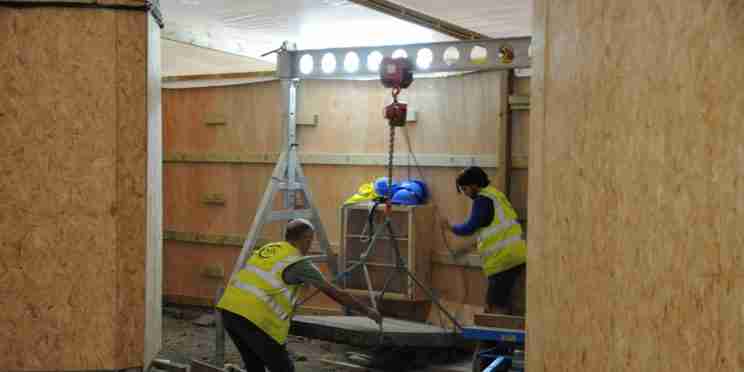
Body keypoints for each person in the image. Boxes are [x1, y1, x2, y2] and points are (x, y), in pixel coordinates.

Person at [217, 218, 381, 372]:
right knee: (283, 368)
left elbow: (266, 282)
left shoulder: (269, 249)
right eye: (310, 239)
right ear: (307, 239)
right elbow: (336, 293)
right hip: (255, 319)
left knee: (254, 366)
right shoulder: (298, 263)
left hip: (229, 311)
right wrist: (367, 311)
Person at [440, 166, 526, 315]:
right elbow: (495, 230)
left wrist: (450, 228)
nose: (465, 194)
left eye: (464, 189)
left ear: (474, 185)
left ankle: (496, 334)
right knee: (501, 299)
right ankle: (499, 332)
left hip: (503, 259)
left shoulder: (483, 200)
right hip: (514, 255)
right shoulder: (496, 195)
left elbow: (470, 227)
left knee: (495, 304)